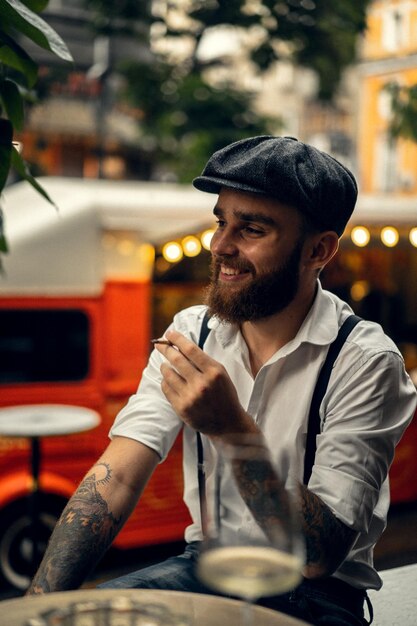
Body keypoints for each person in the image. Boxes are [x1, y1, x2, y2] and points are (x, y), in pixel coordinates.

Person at [27, 136, 417, 625]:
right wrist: (40, 607)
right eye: (220, 221)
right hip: (205, 569)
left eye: (251, 228)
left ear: (319, 250)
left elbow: (321, 555)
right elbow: (118, 478)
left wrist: (232, 430)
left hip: (316, 597)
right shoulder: (194, 332)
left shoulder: (365, 362)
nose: (220, 246)